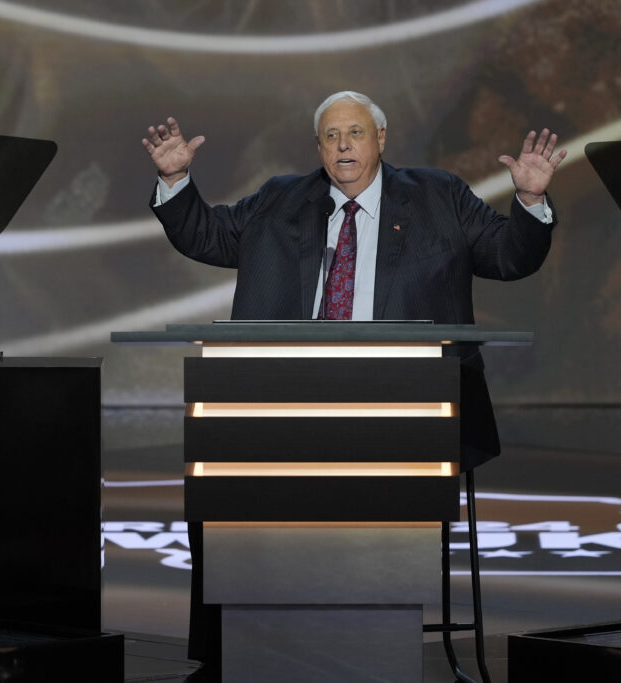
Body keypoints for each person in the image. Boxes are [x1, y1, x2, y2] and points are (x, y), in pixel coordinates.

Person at [140, 91, 566, 682]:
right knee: (222, 466)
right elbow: (208, 237)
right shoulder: (279, 200)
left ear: (382, 139)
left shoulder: (439, 195)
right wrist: (178, 181)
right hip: (282, 401)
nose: (344, 144)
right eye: (332, 135)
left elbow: (509, 255)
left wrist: (531, 198)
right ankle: (235, 651)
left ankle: (367, 648)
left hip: (409, 406)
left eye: (356, 133)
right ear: (318, 148)